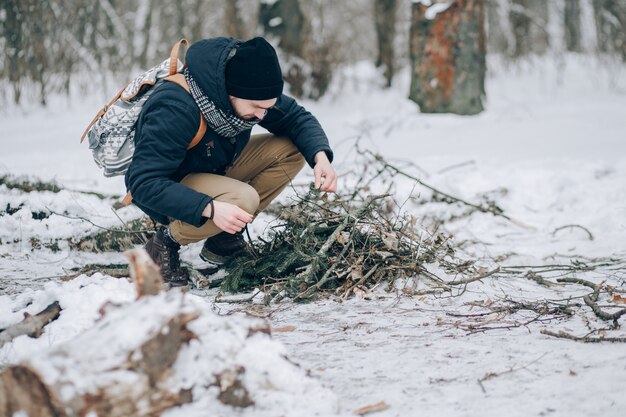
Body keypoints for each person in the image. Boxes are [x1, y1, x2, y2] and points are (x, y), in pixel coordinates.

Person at [126, 36, 337, 286]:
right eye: (257, 107)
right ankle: (164, 243)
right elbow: (142, 182)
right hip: (171, 186)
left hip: (214, 165)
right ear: (230, 92)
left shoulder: (253, 92)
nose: (262, 115)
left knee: (293, 147)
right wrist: (211, 208)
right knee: (244, 199)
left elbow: (295, 118)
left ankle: (223, 239)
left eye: (267, 108)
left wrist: (320, 157)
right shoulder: (175, 107)